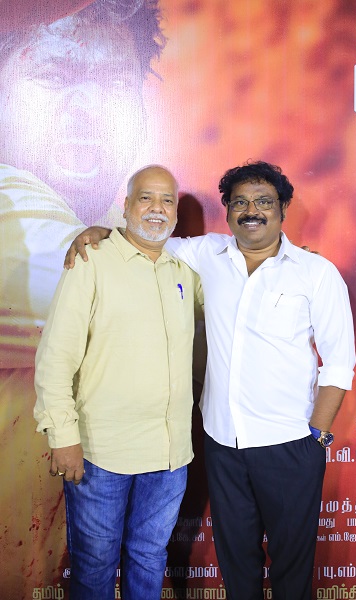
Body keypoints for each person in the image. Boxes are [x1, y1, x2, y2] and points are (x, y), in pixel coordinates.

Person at [66, 160, 355, 600]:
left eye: (263, 202)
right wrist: (101, 232)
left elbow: (338, 363)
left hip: (290, 443)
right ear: (228, 211)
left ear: (283, 209)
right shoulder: (204, 254)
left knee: (292, 568)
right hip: (223, 444)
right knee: (236, 564)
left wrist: (316, 436)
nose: (251, 211)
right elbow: (146, 236)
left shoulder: (315, 273)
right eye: (240, 202)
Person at [0, 1, 164, 592]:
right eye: (53, 75)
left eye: (114, 80)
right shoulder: (9, 211)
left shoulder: (108, 228)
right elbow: (140, 308)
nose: (87, 108)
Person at [34, 165, 202, 599]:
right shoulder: (92, 261)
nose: (157, 208)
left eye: (167, 200)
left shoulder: (185, 272)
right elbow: (56, 356)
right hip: (100, 454)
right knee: (94, 565)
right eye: (146, 198)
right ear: (125, 206)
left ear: (176, 214)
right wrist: (62, 436)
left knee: (149, 558)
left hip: (169, 456)